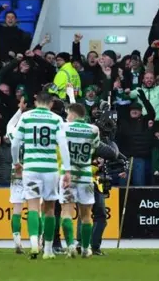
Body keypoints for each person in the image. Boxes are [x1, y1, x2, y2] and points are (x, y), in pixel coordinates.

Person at [11, 91, 71, 259]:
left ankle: (34, 243)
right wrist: (67, 170)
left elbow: (15, 143)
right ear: (51, 104)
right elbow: (63, 146)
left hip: (30, 167)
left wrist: (16, 162)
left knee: (33, 206)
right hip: (50, 169)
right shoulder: (56, 119)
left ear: (36, 102)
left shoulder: (26, 117)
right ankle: (48, 250)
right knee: (50, 209)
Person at [59, 103, 100, 258]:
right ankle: (86, 247)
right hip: (85, 176)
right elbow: (95, 148)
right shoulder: (94, 130)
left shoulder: (64, 128)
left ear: (74, 115)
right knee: (86, 215)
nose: (67, 117)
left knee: (66, 212)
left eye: (68, 114)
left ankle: (70, 246)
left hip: (67, 175)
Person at [6, 97, 29, 254]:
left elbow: (9, 124)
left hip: (16, 171)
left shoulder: (14, 132)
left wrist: (20, 109)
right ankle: (39, 242)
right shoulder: (33, 133)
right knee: (37, 209)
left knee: (17, 208)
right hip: (33, 171)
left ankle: (17, 243)